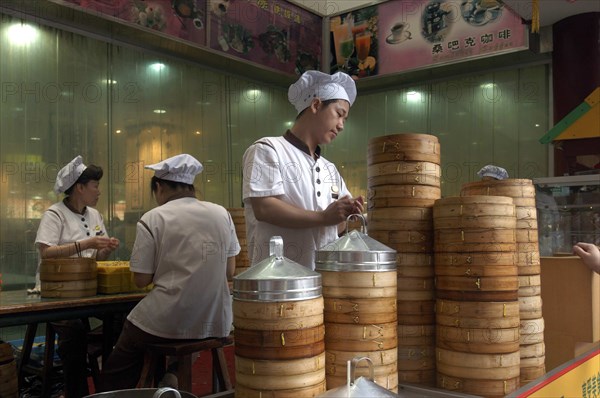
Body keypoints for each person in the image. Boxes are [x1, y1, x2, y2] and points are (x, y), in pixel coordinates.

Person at [99, 153, 240, 391]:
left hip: (170, 319)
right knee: (191, 340)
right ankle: (171, 377)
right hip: (217, 319)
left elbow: (140, 280)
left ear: (160, 187)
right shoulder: (221, 214)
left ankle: (123, 391)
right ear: (190, 186)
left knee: (128, 344)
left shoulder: (153, 218)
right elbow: (229, 270)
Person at [242, 70, 364, 269]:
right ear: (316, 105)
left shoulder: (330, 169)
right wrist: (323, 217)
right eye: (339, 114)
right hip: (276, 282)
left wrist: (345, 213)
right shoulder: (267, 149)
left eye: (345, 120)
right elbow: (264, 208)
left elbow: (338, 229)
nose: (341, 125)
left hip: (321, 282)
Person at [35, 155, 120, 398]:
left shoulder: (94, 215)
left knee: (123, 318)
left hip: (87, 288)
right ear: (79, 188)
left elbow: (97, 258)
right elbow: (46, 252)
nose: (99, 191)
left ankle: (94, 353)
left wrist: (104, 249)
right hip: (56, 291)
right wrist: (86, 243)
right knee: (72, 331)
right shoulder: (55, 214)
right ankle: (77, 392)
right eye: (95, 185)